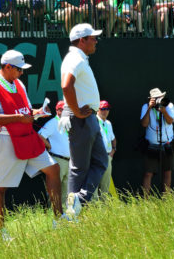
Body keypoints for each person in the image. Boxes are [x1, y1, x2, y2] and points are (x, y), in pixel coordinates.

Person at [0, 49, 63, 238]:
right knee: (0, 188)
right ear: (7, 67)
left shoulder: (18, 83)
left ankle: (59, 219)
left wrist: (37, 112)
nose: (22, 73)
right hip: (3, 139)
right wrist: (20, 117)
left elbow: (25, 110)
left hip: (26, 135)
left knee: (53, 169)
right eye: (19, 69)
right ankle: (1, 232)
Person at [59, 23, 108, 219]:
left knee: (101, 162)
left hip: (89, 119)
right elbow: (66, 86)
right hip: (81, 119)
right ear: (82, 40)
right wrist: (77, 111)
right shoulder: (75, 59)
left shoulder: (79, 58)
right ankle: (71, 214)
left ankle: (78, 200)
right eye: (93, 38)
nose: (96, 41)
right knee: (79, 168)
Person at [140, 88, 174, 196]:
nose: (158, 100)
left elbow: (170, 121)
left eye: (160, 98)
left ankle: (166, 200)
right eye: (155, 99)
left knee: (167, 172)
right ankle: (145, 201)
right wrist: (150, 108)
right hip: (151, 145)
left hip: (167, 144)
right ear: (151, 99)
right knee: (148, 173)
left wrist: (164, 111)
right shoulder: (146, 107)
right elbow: (144, 124)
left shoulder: (169, 106)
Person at [38, 100, 70, 206]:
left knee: (68, 191)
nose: (64, 111)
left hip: (70, 161)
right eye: (62, 109)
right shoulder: (52, 123)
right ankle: (54, 214)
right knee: (55, 189)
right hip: (58, 160)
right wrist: (49, 145)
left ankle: (66, 215)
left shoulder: (68, 122)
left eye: (66, 109)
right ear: (57, 110)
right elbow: (39, 136)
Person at [94, 100, 116, 199]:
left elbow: (113, 138)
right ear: (97, 110)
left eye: (107, 109)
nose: (105, 111)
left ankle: (103, 208)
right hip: (97, 157)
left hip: (107, 156)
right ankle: (93, 206)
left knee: (105, 185)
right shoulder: (94, 121)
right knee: (94, 183)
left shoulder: (108, 123)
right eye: (102, 109)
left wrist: (113, 151)